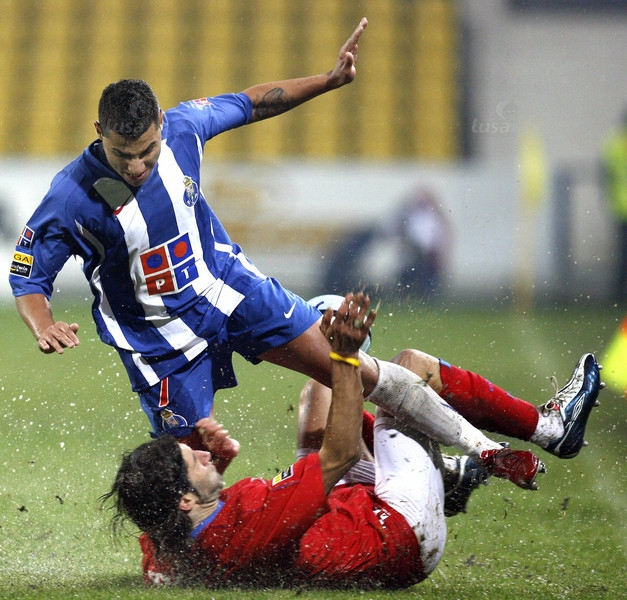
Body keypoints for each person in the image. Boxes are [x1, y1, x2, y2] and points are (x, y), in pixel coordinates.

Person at [8, 17, 601, 469]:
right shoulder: (70, 196)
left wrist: (329, 80)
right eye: (122, 155)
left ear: (162, 124)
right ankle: (183, 554)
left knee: (354, 372)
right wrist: (42, 323)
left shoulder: (185, 128)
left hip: (231, 290)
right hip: (159, 343)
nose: (137, 166)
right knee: (194, 473)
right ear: (99, 134)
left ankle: (542, 430)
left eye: (146, 151)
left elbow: (252, 102)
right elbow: (27, 274)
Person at [104, 293, 550, 589]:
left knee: (319, 387)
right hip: (399, 533)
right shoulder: (253, 525)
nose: (203, 452)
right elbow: (341, 453)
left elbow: (164, 547)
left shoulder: (165, 540)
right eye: (195, 460)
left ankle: (450, 476)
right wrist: (345, 356)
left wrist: (214, 468)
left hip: (347, 510)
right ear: (184, 500)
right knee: (407, 368)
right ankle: (536, 432)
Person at [602, 107, 627, 304]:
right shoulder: (615, 144)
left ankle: (617, 295)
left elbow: (605, 174)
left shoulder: (614, 143)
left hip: (620, 207)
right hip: (621, 208)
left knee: (622, 255)